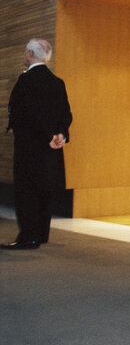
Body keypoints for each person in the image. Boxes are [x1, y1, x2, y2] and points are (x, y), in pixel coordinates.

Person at [3, 39, 72, 250]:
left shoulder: (25, 81)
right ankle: (41, 234)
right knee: (45, 190)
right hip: (52, 149)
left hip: (30, 148)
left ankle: (28, 237)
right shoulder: (57, 82)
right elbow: (66, 114)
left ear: (31, 54)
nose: (24, 55)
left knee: (27, 191)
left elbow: (26, 114)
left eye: (26, 52)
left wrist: (46, 134)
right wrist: (60, 134)